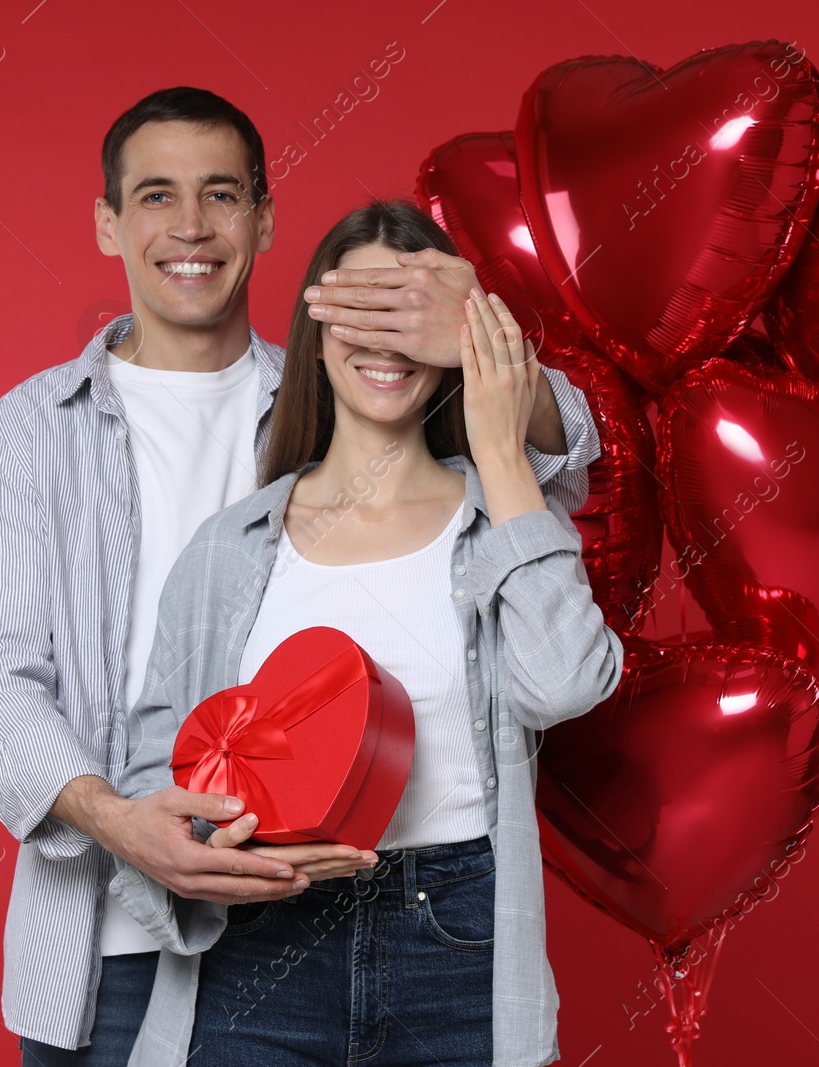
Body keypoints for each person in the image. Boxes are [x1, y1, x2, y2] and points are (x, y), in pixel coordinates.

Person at [0, 86, 607, 1066]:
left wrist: (472, 342)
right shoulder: (36, 428)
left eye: (220, 193)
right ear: (107, 222)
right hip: (103, 928)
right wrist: (122, 822)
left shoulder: (338, 389)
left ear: (264, 219)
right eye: (157, 196)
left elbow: (564, 453)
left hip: (343, 904)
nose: (192, 226)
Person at [109, 200, 624, 1067]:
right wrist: (192, 847)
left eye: (414, 320)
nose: (389, 343)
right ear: (316, 327)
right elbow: (158, 772)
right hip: (261, 949)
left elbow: (566, 684)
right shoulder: (228, 550)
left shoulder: (501, 518)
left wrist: (502, 455)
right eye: (363, 313)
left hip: (456, 944)